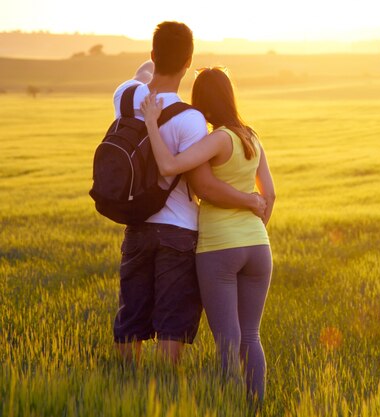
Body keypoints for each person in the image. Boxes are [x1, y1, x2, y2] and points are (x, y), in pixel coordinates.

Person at [112, 22, 266, 364]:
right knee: (172, 322)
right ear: (188, 62)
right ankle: (166, 392)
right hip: (179, 230)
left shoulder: (124, 95)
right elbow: (204, 185)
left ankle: (125, 388)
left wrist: (149, 69)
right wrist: (252, 202)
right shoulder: (192, 119)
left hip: (137, 225)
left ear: (152, 54)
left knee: (131, 317)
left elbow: (139, 76)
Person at [141, 66, 275, 403]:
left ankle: (229, 407)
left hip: (219, 248)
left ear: (205, 104)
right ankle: (255, 407)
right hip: (258, 246)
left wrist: (152, 124)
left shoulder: (217, 139)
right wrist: (252, 228)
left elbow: (170, 166)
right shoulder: (252, 138)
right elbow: (269, 195)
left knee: (228, 340)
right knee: (251, 337)